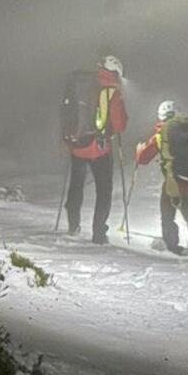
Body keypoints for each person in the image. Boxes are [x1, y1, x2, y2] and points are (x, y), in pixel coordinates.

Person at [135, 100, 188, 255]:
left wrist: (139, 150)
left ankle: (172, 246)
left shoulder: (161, 134)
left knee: (167, 212)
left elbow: (143, 159)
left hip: (173, 181)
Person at [63, 54, 128, 244]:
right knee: (104, 190)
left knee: (76, 186)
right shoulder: (111, 92)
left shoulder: (81, 83)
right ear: (115, 72)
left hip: (77, 145)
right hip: (99, 150)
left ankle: (73, 226)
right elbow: (120, 124)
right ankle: (99, 233)